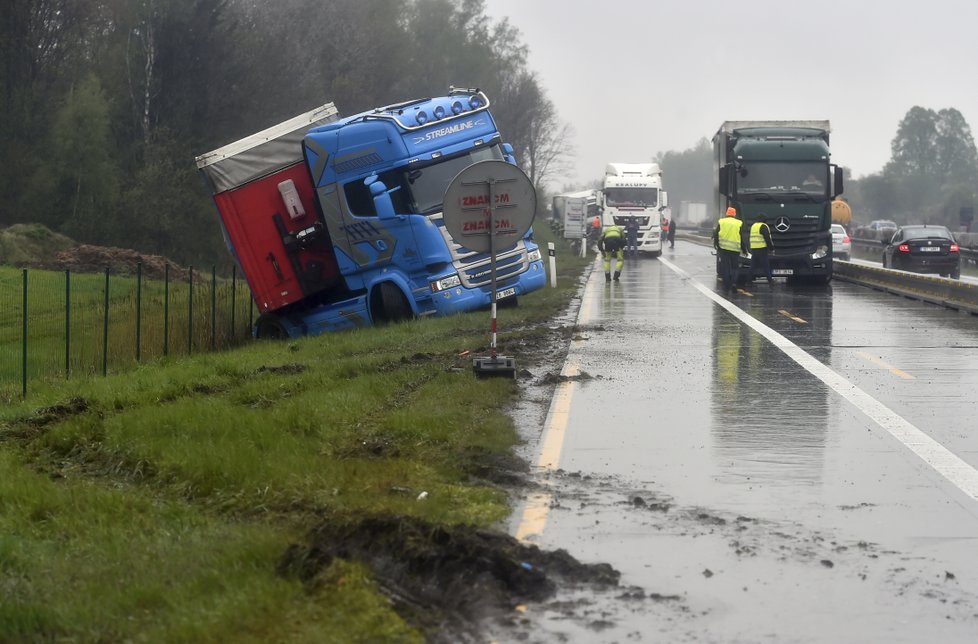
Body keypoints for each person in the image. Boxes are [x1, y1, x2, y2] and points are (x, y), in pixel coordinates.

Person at [713, 206, 746, 293]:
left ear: (727, 213)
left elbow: (716, 234)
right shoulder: (738, 223)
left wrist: (716, 245)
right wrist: (744, 249)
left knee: (726, 268)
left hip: (724, 249)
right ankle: (734, 283)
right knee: (735, 267)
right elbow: (741, 238)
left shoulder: (722, 222)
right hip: (735, 250)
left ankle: (726, 286)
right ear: (734, 214)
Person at [748, 216, 775, 284]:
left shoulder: (753, 226)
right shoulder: (763, 226)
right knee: (766, 266)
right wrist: (771, 248)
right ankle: (770, 281)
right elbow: (767, 238)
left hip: (754, 248)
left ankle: (748, 280)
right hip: (762, 248)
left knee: (752, 266)